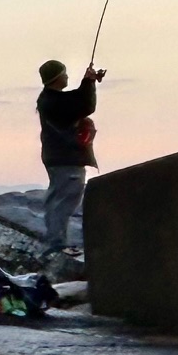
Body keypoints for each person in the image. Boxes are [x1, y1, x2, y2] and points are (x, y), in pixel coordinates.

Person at [37, 59, 103, 252]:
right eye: (64, 73)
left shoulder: (49, 100)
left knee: (57, 198)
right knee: (66, 200)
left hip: (56, 158)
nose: (67, 76)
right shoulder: (53, 102)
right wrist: (89, 83)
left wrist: (87, 82)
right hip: (66, 159)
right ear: (57, 78)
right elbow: (83, 106)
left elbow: (75, 102)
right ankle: (57, 245)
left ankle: (55, 241)